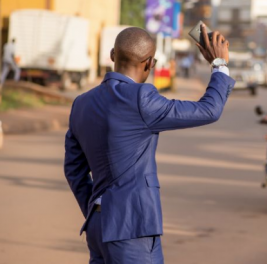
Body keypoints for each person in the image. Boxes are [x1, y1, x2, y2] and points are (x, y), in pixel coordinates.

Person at [64, 26, 233, 264]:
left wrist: (98, 211)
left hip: (98, 227)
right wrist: (219, 65)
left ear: (113, 55)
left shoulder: (81, 104)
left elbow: (74, 170)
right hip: (132, 228)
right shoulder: (142, 99)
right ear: (149, 63)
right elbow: (209, 110)